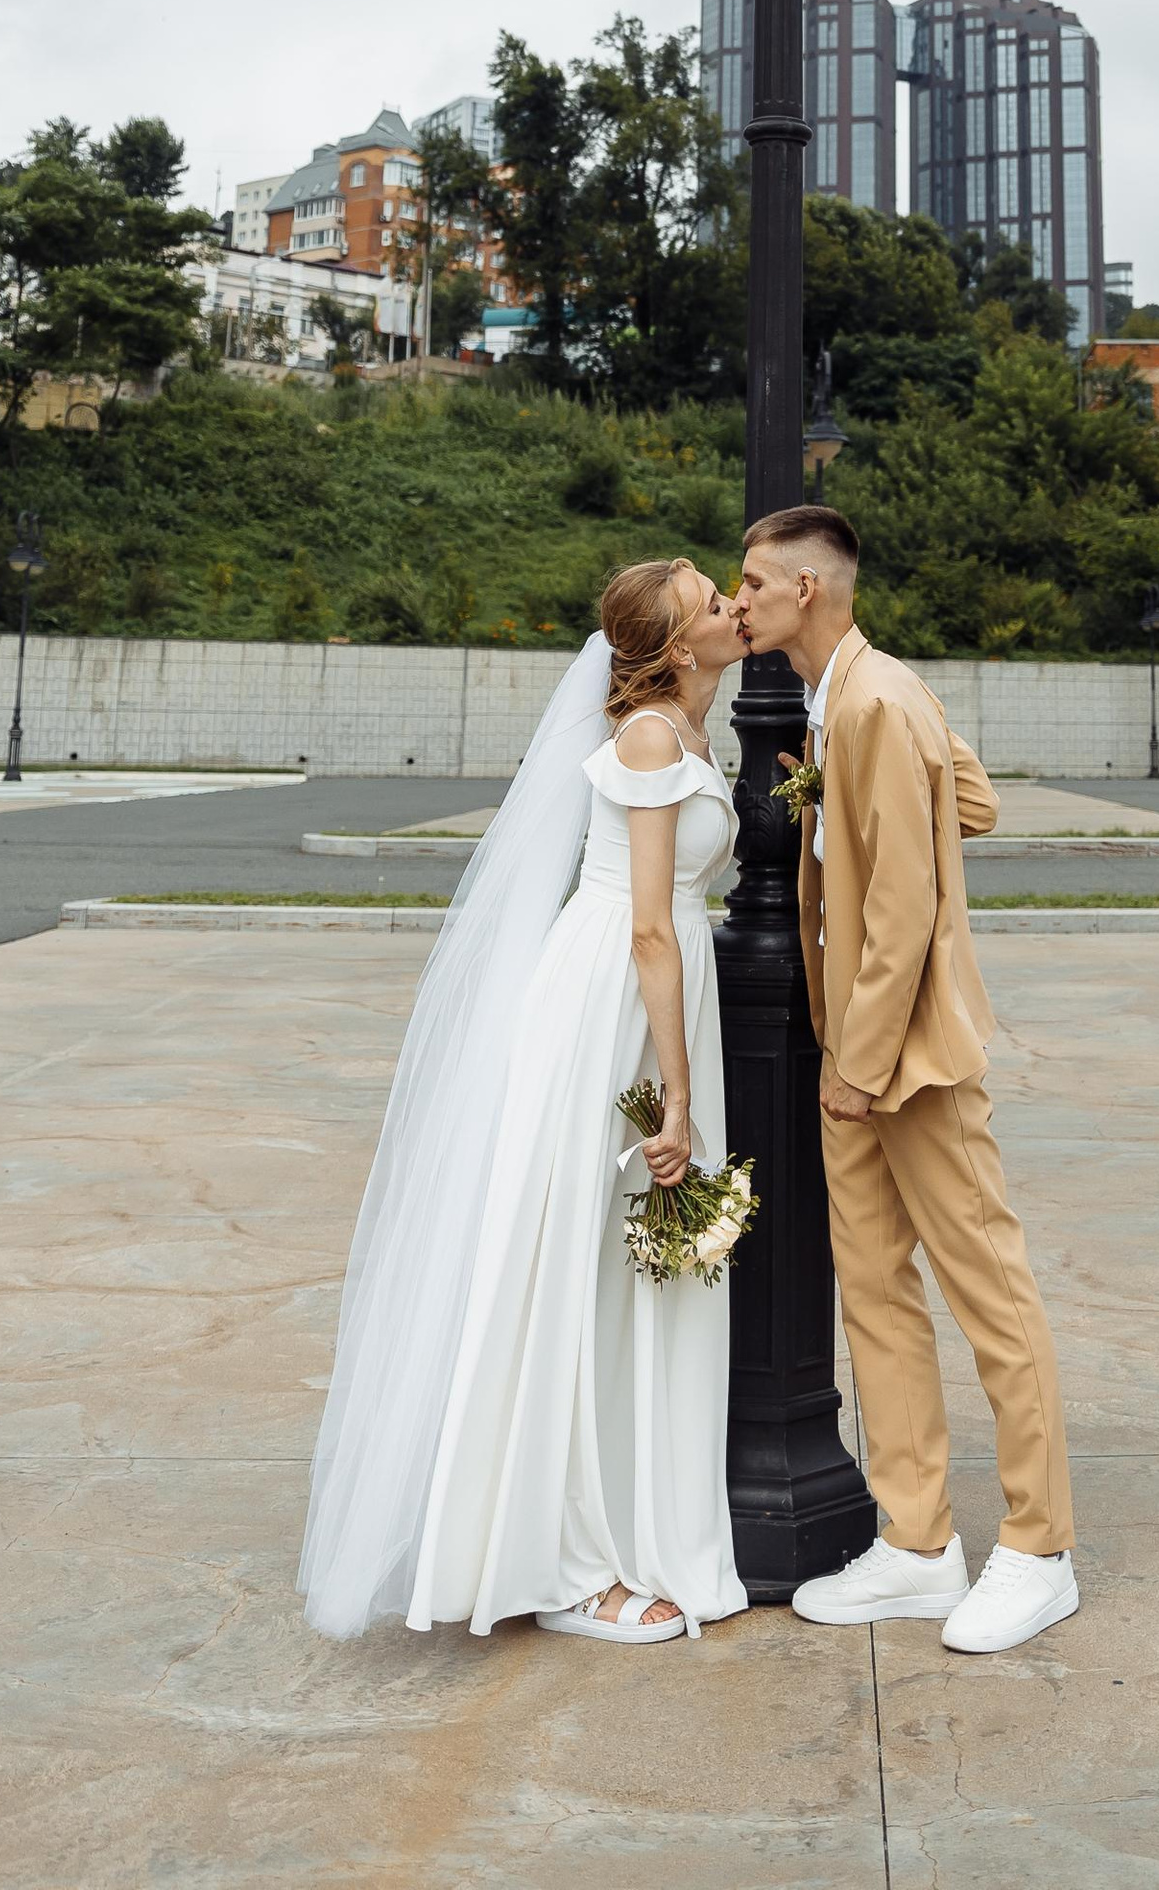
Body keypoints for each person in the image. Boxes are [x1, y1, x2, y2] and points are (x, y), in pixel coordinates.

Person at [298, 557, 750, 1646]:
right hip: (610, 1007)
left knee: (633, 1268)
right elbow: (647, 923)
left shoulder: (698, 733)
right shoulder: (649, 738)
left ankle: (627, 1523)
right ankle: (556, 1561)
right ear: (677, 649)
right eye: (711, 603)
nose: (736, 606)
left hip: (657, 994)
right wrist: (676, 1095)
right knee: (569, 1264)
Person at [734, 502, 1080, 1656]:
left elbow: (903, 904)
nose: (739, 601)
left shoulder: (876, 700)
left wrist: (859, 1065)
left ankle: (1038, 1550)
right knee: (874, 1293)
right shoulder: (861, 693)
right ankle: (918, 1544)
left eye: (751, 583)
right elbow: (966, 802)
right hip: (856, 1053)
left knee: (990, 1294)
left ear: (806, 592)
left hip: (905, 1061)